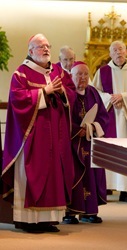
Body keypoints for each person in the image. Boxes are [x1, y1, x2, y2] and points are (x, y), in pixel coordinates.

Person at [1, 33, 76, 233]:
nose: (46, 49)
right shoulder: (22, 74)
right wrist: (45, 91)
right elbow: (18, 100)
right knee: (35, 174)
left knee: (53, 176)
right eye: (41, 46)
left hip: (55, 137)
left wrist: (61, 93)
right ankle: (29, 220)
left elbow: (71, 93)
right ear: (31, 51)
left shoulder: (57, 72)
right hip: (33, 137)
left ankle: (48, 220)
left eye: (47, 46)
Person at [91, 40, 127, 202]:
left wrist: (125, 97)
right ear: (110, 54)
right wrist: (111, 98)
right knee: (109, 151)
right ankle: (106, 188)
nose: (118, 52)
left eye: (121, 49)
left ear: (126, 52)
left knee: (126, 152)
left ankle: (126, 191)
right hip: (108, 117)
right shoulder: (102, 72)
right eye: (115, 50)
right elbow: (94, 93)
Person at [63, 62, 109, 224]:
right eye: (79, 74)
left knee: (91, 174)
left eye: (85, 74)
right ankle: (69, 212)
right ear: (71, 76)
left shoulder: (93, 92)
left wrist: (92, 127)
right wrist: (77, 130)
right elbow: (63, 117)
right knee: (72, 175)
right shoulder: (67, 93)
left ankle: (89, 211)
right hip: (72, 144)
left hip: (89, 142)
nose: (82, 78)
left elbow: (103, 116)